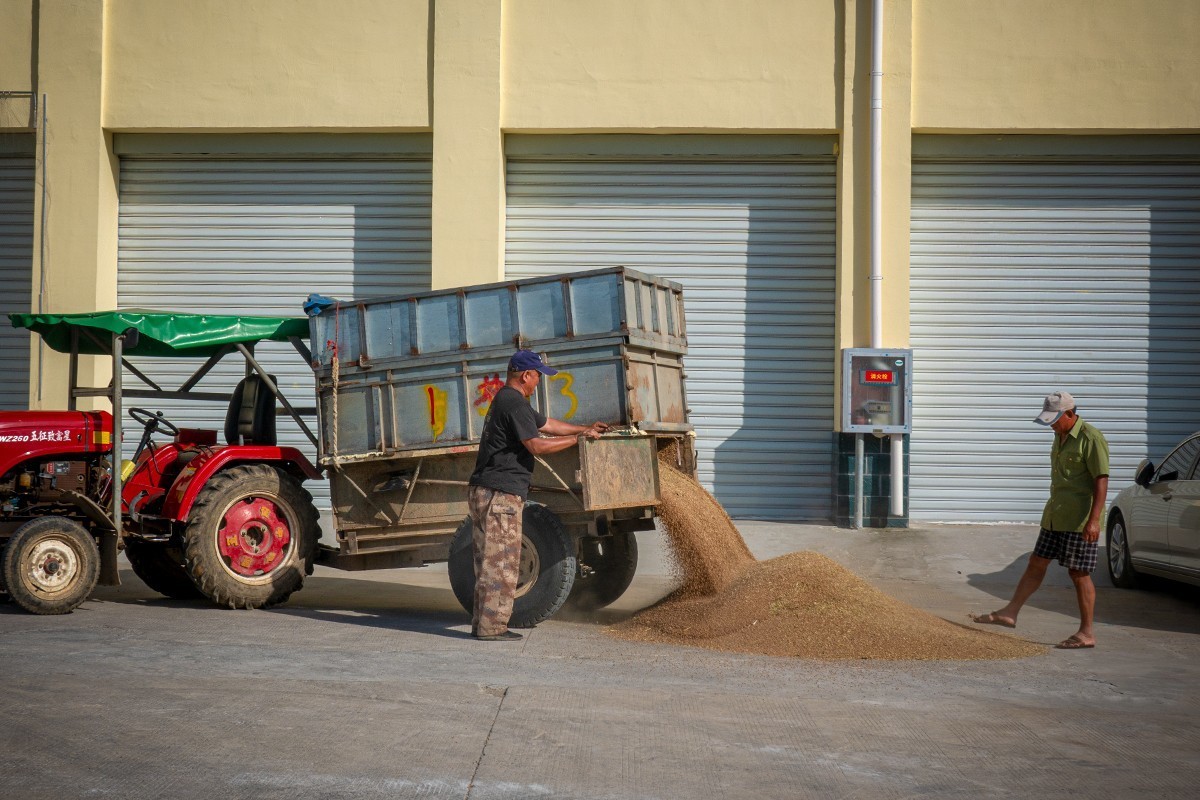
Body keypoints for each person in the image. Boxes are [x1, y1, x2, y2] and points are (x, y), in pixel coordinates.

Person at [466, 350, 608, 641]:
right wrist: (578, 439)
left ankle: (482, 623)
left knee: (487, 562)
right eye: (538, 377)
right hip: (500, 493)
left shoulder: (509, 401)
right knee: (502, 564)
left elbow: (547, 425)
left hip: (487, 490)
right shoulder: (514, 403)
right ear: (525, 375)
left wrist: (585, 427)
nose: (539, 383)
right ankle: (492, 629)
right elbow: (536, 445)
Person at [971, 391, 1109, 649]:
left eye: (1055, 419)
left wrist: (1095, 520)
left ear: (1070, 414)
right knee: (1037, 562)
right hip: (1055, 515)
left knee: (1079, 573)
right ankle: (1010, 613)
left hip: (1079, 519)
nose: (1051, 425)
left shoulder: (1091, 438)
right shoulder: (1059, 436)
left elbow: (1101, 479)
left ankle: (1086, 632)